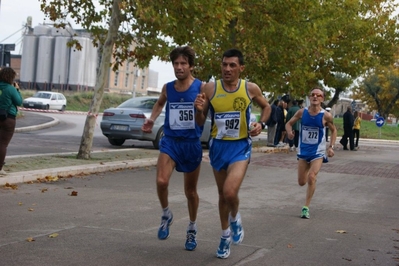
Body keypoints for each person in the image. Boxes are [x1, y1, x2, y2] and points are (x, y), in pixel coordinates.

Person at [194, 49, 271, 259]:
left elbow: (267, 107)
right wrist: (199, 110)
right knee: (222, 196)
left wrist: (260, 124)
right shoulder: (209, 88)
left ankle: (235, 217)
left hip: (240, 146)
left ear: (241, 68)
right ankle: (225, 235)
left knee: (229, 192)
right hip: (218, 146)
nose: (227, 69)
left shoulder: (250, 88)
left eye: (232, 65)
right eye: (224, 65)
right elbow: (200, 122)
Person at [141, 46, 204, 251]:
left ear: (191, 66)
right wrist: (152, 119)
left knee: (190, 192)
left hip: (191, 144)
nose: (179, 67)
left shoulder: (201, 88)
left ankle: (192, 228)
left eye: (183, 63)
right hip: (170, 142)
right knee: (161, 181)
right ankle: (166, 213)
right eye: (176, 63)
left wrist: (199, 109)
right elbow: (160, 103)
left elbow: (202, 119)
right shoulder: (168, 88)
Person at [285, 88, 337, 219]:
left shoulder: (326, 116)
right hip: (303, 151)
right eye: (312, 94)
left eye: (318, 95)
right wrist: (289, 132)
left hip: (317, 152)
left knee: (312, 176)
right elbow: (289, 124)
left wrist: (331, 147)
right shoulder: (302, 112)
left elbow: (334, 130)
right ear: (309, 97)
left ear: (322, 99)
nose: (315, 97)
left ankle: (305, 207)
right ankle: (308, 175)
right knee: (301, 182)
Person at [0, 68, 22, 175]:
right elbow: (19, 101)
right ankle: (0, 168)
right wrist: (17, 89)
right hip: (8, 118)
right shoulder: (10, 89)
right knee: (3, 144)